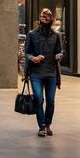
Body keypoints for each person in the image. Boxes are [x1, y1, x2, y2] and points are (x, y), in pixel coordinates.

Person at [24, 8, 63, 137]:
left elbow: (60, 50)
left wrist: (59, 55)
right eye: (42, 17)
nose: (44, 19)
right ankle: (41, 126)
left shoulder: (56, 35)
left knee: (50, 101)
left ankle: (48, 125)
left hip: (51, 72)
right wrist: (33, 58)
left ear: (51, 19)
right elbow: (27, 52)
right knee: (38, 99)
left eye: (47, 17)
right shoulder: (32, 34)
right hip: (36, 72)